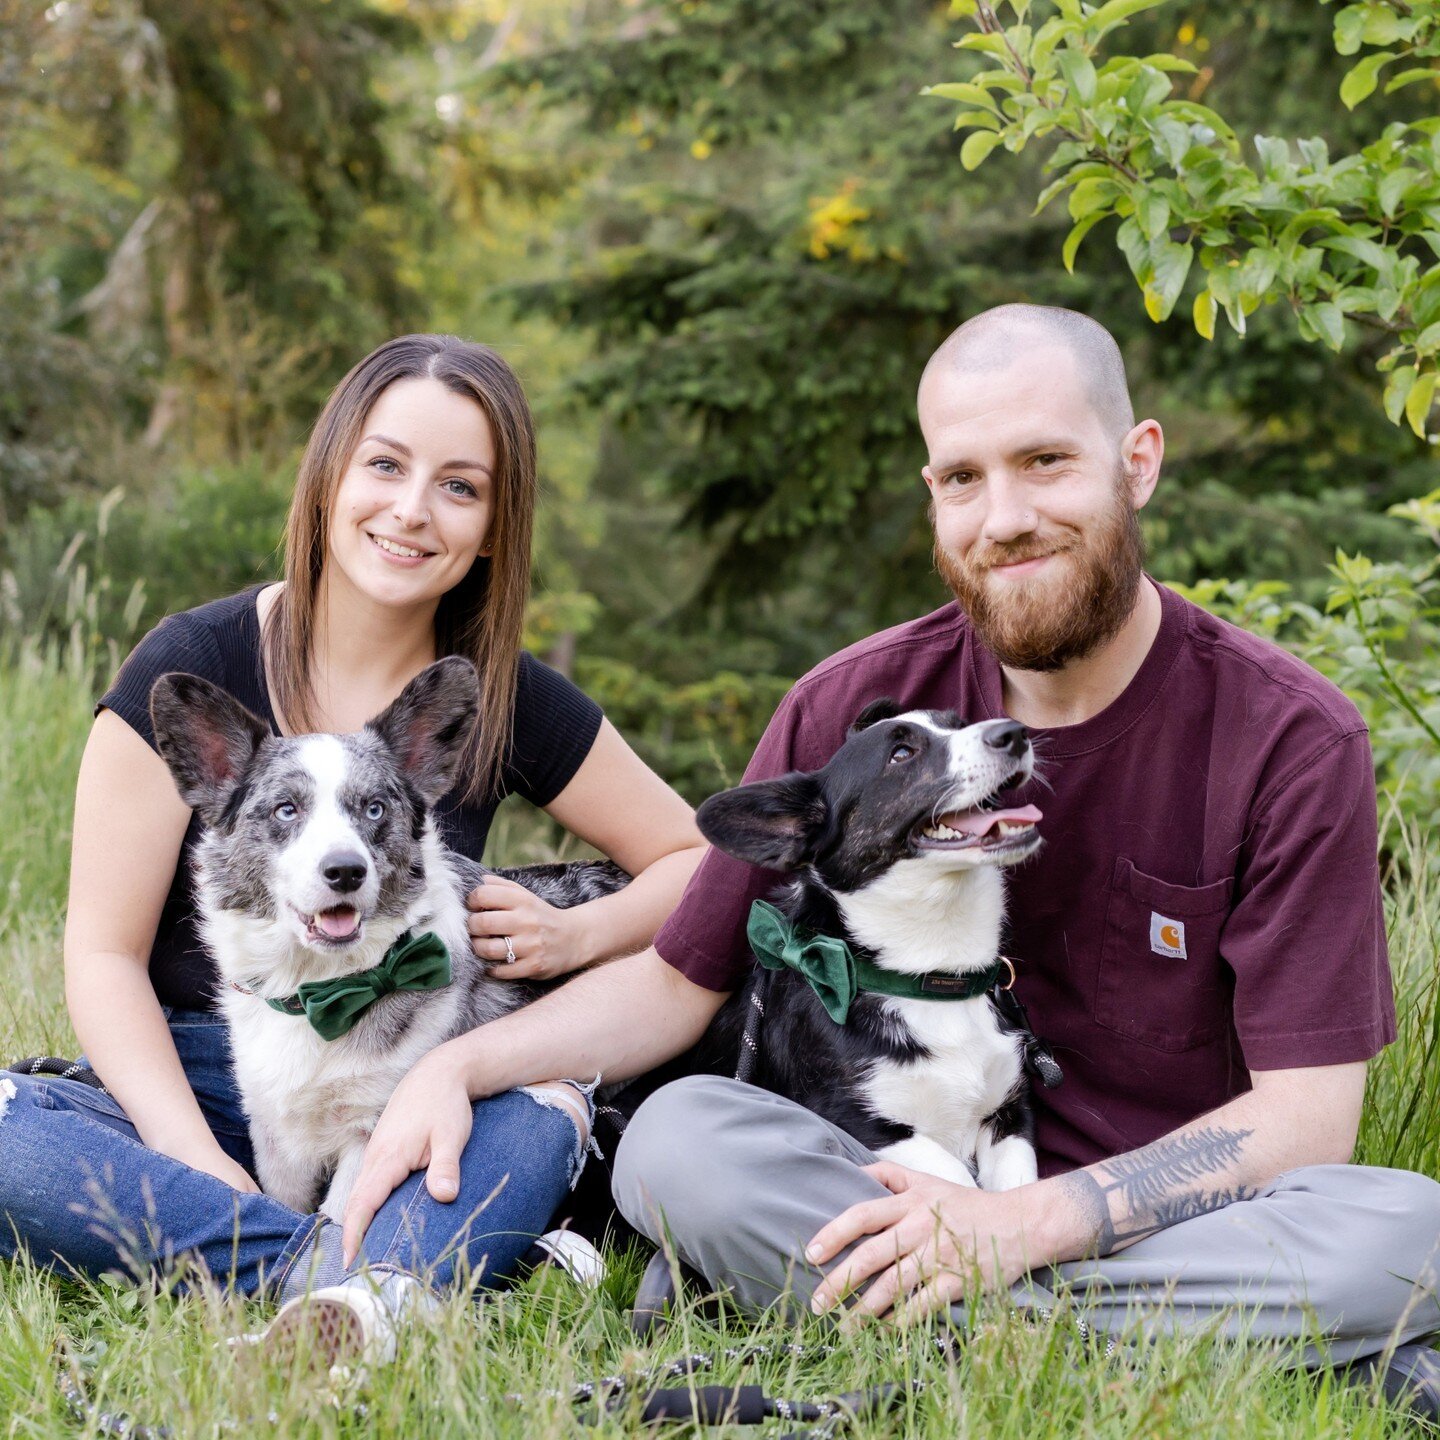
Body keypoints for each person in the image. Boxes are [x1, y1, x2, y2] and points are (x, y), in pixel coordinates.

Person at [339, 306, 1440, 1404]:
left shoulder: (1290, 737)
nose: (1003, 517)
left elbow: (1308, 1119)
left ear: (1136, 463)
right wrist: (458, 1064)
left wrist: (1019, 1228)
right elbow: (679, 984)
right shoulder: (846, 714)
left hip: (1162, 1221)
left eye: (1045, 462)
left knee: (1414, 1229)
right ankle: (1199, 1352)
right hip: (889, 1192)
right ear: (933, 494)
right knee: (677, 1144)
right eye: (962, 478)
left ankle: (972, 1330)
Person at [0, 334, 705, 1346]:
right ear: (329, 475)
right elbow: (102, 953)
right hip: (204, 1067)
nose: (413, 510)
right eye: (385, 464)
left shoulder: (501, 696)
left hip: (414, 1075)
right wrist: (191, 1155)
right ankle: (349, 1283)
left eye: (460, 486)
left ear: (497, 527)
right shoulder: (196, 658)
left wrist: (578, 936)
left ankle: (295, 1281)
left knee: (538, 1110)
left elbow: (698, 862)